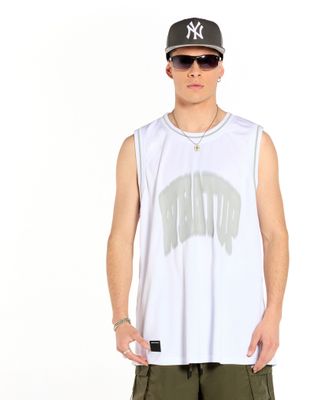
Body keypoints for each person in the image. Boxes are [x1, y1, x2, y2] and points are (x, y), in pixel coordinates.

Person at [106, 16, 289, 400]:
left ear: (221, 68)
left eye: (206, 60)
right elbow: (121, 238)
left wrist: (273, 314)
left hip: (240, 341)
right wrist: (120, 318)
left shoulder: (254, 142)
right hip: (161, 342)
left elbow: (275, 235)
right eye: (184, 60)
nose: (195, 70)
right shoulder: (139, 146)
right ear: (168, 68)